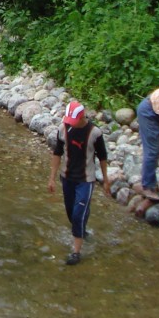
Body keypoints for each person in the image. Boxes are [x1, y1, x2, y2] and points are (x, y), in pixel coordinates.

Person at [48, 100, 112, 265]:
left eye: (73, 121)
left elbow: (102, 157)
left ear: (82, 117)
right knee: (71, 212)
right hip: (67, 177)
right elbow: (57, 153)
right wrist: (52, 178)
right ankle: (81, 227)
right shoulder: (63, 130)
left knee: (77, 215)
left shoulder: (95, 133)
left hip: (86, 179)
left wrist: (106, 180)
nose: (70, 124)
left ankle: (76, 252)